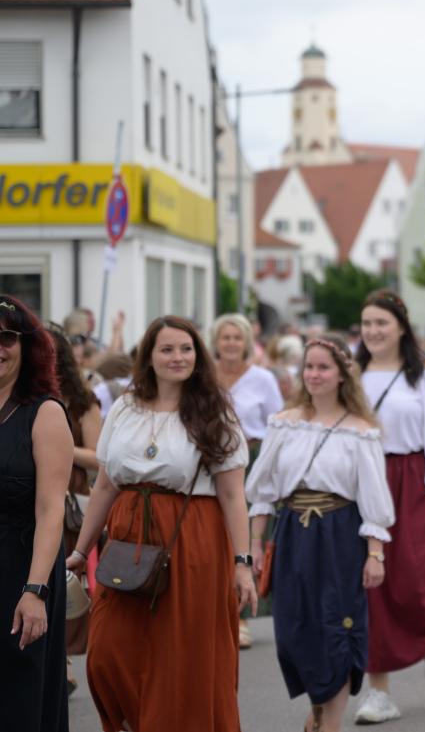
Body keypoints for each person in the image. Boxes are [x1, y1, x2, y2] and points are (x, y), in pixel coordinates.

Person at [66, 316, 257, 732]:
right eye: (167, 349)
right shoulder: (125, 407)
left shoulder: (213, 409)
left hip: (193, 539)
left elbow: (231, 494)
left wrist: (243, 562)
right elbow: (104, 485)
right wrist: (80, 552)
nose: (177, 357)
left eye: (186, 349)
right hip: (127, 538)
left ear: (197, 354)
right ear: (149, 357)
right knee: (108, 653)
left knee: (180, 659)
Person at [246, 334, 394, 732]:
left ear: (343, 374)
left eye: (323, 367)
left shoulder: (361, 430)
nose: (314, 374)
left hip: (340, 537)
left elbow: (373, 498)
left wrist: (375, 554)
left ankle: (332, 722)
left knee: (338, 626)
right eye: (309, 366)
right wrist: (255, 545)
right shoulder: (284, 423)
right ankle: (319, 704)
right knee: (294, 631)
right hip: (294, 533)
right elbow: (262, 490)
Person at [354, 291, 425, 723]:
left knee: (419, 576)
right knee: (372, 586)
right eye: (367, 323)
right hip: (364, 483)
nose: (373, 331)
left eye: (381, 323)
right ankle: (379, 690)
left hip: (415, 482)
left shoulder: (424, 376)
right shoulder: (352, 374)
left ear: (401, 327)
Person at [0, 296, 74, 732]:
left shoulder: (43, 413)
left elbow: (50, 513)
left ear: (27, 347)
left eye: (7, 337)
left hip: (23, 567)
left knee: (19, 692)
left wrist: (34, 591)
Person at [211, 313, 284, 650]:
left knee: (246, 534)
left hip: (251, 458)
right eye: (225, 337)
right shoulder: (204, 374)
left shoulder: (262, 378)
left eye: (236, 338)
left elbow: (277, 425)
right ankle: (215, 608)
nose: (230, 344)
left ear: (246, 343)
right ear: (216, 341)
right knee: (214, 533)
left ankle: (241, 614)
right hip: (210, 460)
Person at [46, 324, 103, 693]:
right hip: (24, 494)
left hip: (69, 500)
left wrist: (53, 444)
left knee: (61, 581)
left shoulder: (83, 401)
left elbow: (99, 458)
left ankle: (62, 659)